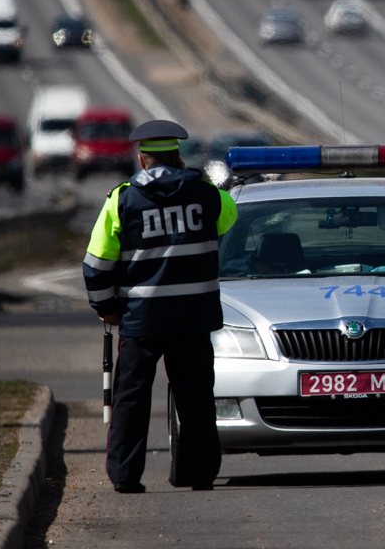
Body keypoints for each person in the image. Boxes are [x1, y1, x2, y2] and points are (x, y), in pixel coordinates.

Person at [82, 120, 237, 493]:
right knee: (196, 399)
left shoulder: (121, 199)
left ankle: (125, 476)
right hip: (193, 319)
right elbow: (227, 221)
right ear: (178, 157)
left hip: (141, 320)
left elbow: (96, 263)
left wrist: (107, 308)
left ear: (141, 158)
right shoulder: (209, 195)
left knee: (131, 401)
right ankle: (200, 475)